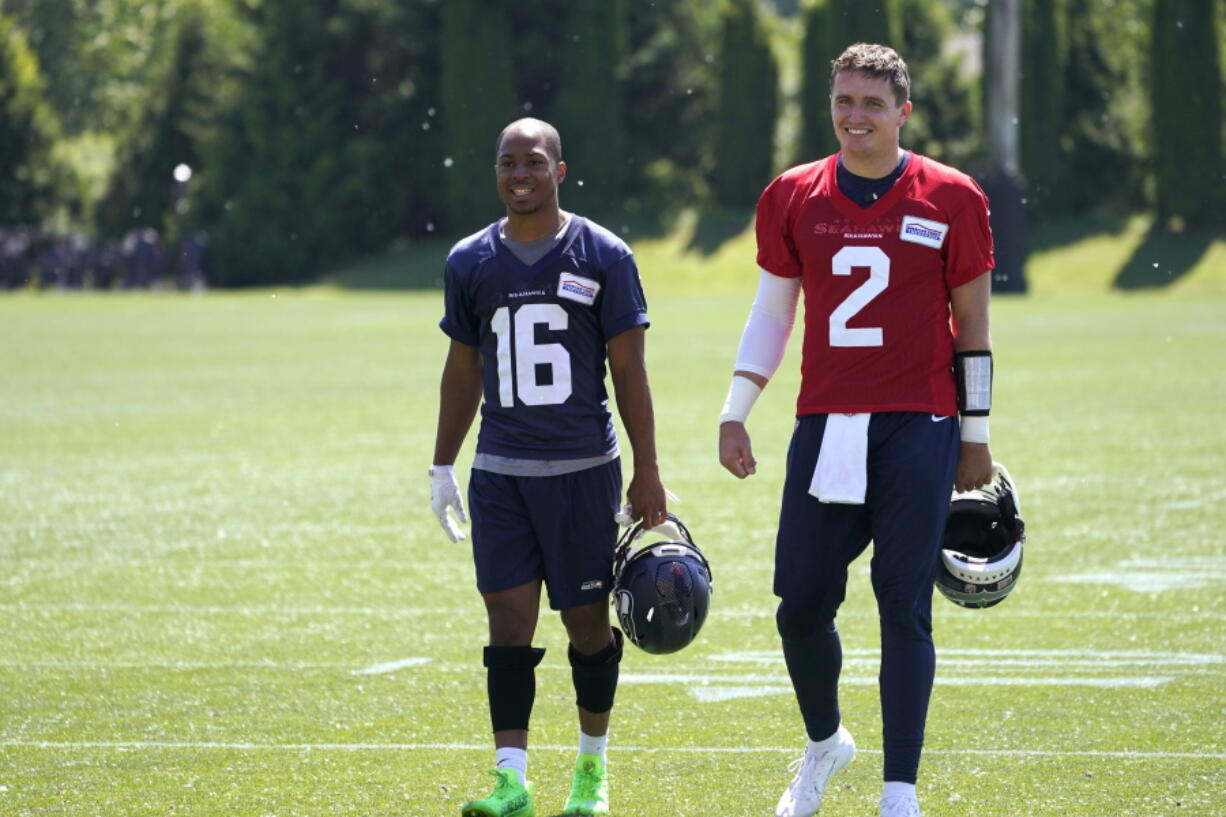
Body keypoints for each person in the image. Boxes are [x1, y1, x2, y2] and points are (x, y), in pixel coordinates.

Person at [717, 43, 996, 817]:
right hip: (828, 421)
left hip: (920, 421)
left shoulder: (952, 196)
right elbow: (774, 309)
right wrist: (736, 407)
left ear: (903, 111)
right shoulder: (793, 193)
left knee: (901, 600)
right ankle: (825, 742)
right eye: (844, 100)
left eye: (873, 103)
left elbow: (973, 326)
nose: (855, 116)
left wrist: (975, 433)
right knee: (800, 602)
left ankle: (899, 792)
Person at [430, 117, 667, 817]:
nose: (519, 174)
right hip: (501, 472)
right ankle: (512, 780)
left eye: (533, 162)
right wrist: (443, 462)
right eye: (507, 163)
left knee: (587, 623)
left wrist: (647, 468)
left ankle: (591, 772)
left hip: (583, 468)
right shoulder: (468, 260)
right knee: (508, 620)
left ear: (560, 170)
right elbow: (462, 366)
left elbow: (630, 371)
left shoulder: (604, 254)